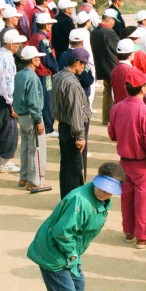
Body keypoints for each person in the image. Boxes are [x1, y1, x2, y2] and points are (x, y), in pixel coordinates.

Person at [27, 162, 125, 291]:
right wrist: (72, 256)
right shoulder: (80, 201)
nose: (103, 193)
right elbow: (62, 233)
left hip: (69, 251)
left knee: (78, 284)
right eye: (101, 188)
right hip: (53, 252)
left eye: (109, 190)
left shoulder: (102, 200)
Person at [108, 66, 146, 248]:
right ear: (142, 88)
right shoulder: (145, 112)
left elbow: (112, 133)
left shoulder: (117, 108)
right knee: (145, 201)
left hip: (125, 162)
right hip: (143, 164)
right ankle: (143, 236)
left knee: (128, 198)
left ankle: (129, 231)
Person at [52, 48, 93, 198]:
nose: (84, 68)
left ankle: (66, 197)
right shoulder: (73, 84)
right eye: (83, 65)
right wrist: (80, 135)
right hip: (73, 128)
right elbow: (76, 112)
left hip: (63, 125)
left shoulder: (58, 76)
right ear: (77, 63)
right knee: (75, 169)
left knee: (66, 165)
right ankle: (73, 200)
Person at [14, 46, 52, 194]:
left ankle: (24, 177)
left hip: (22, 115)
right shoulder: (33, 77)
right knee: (36, 149)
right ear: (33, 60)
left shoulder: (19, 75)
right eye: (37, 58)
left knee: (25, 147)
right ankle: (34, 181)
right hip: (31, 116)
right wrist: (38, 120)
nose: (39, 60)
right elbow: (34, 102)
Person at [0, 30, 23, 173]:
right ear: (12, 45)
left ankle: (1, 161)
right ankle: (6, 162)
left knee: (0, 129)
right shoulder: (7, 59)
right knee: (9, 131)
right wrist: (12, 103)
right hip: (4, 98)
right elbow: (7, 83)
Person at [29, 13, 60, 134]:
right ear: (46, 25)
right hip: (44, 73)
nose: (51, 26)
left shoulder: (34, 36)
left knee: (40, 98)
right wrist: (56, 69)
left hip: (37, 72)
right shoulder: (44, 40)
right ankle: (48, 126)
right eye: (50, 24)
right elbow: (48, 59)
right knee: (47, 99)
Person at [90, 8, 120, 125]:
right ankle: (114, 118)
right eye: (113, 20)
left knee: (107, 92)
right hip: (112, 66)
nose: (114, 23)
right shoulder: (109, 32)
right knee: (116, 93)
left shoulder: (95, 31)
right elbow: (118, 49)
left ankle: (105, 118)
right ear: (108, 20)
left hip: (101, 66)